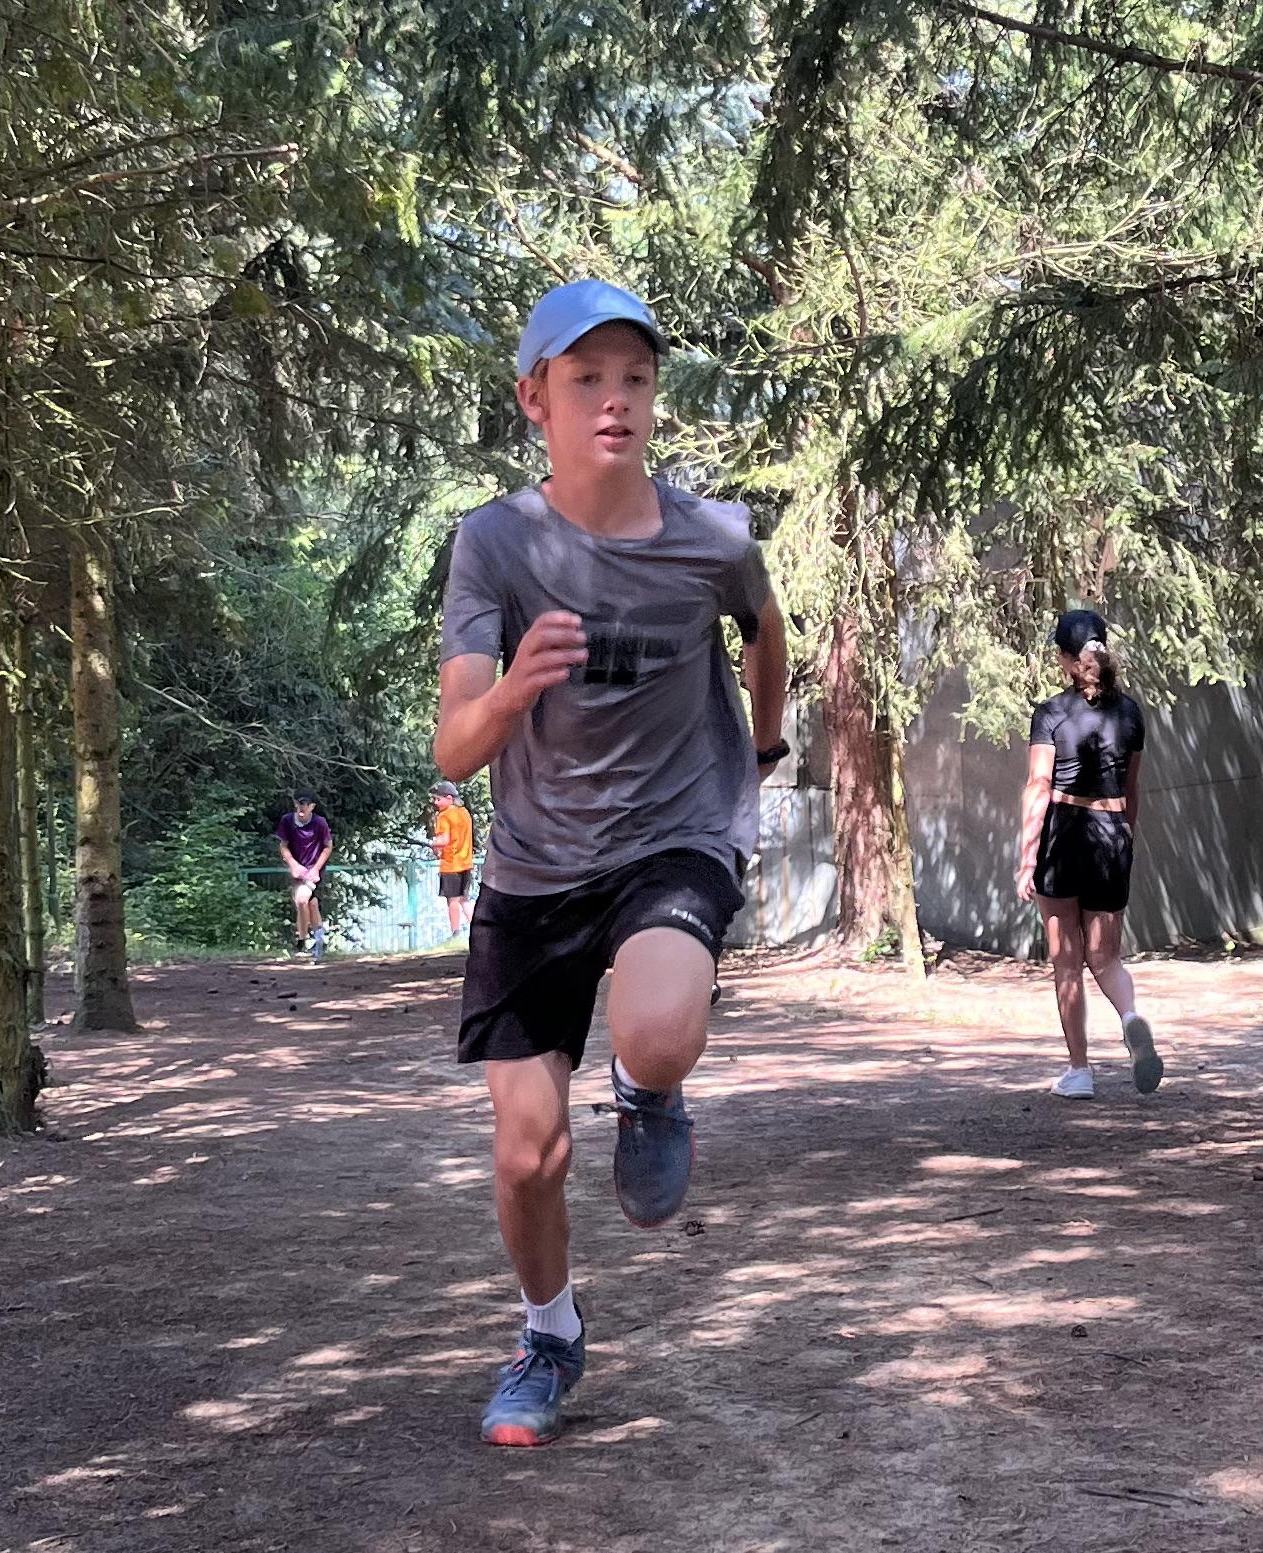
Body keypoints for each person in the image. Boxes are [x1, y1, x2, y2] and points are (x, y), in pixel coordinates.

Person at [436, 278, 789, 1447]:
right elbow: (453, 745)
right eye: (585, 377)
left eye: (634, 377)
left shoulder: (711, 537)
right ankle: (549, 1333)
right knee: (526, 1150)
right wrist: (514, 690)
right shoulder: (493, 544)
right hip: (535, 869)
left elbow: (764, 629)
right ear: (532, 398)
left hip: (670, 838)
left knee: (659, 1029)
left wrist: (764, 744)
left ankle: (648, 1089)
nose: (614, 399)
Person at [1014, 609, 1163, 1100]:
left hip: (1064, 833)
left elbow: (1038, 787)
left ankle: (1079, 1071)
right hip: (1112, 834)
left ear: (1064, 658)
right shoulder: (1131, 713)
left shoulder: (1051, 713)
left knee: (1067, 962)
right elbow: (1131, 789)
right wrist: (1123, 839)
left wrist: (1027, 858)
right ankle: (1131, 1016)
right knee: (1106, 958)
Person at [275, 792, 333, 960]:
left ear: (312, 807)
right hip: (297, 871)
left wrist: (316, 869)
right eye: (299, 803)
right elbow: (283, 845)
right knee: (311, 904)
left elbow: (328, 847)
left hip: (315, 871)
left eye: (306, 804)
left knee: (301, 900)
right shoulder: (287, 820)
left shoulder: (319, 823)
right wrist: (293, 865)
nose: (302, 807)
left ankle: (302, 942)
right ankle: (319, 939)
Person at [428, 780, 476, 936]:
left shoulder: (444, 816)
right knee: (464, 899)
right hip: (466, 862)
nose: (435, 803)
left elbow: (444, 840)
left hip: (451, 864)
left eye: (438, 799)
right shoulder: (464, 813)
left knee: (452, 900)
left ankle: (455, 932)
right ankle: (476, 930)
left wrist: (433, 844)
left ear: (449, 798)